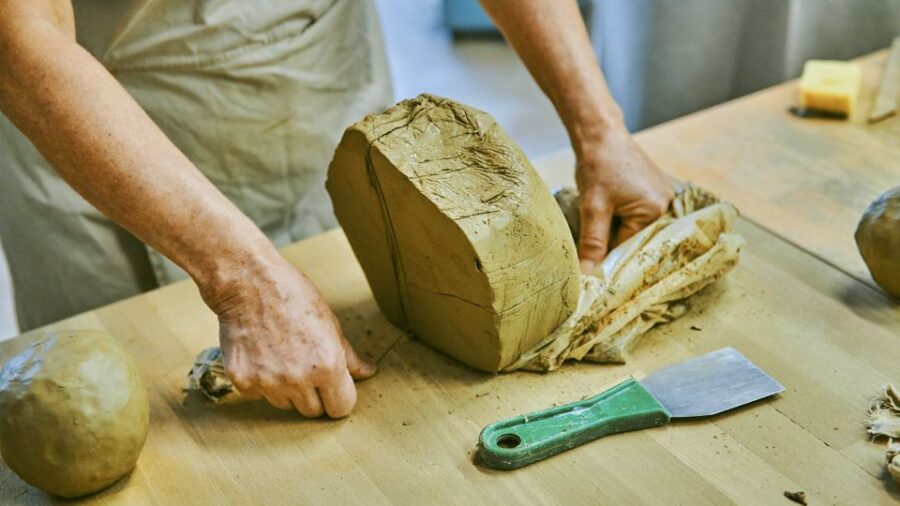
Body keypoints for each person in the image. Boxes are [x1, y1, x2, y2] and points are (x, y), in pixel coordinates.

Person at [0, 0, 673, 418]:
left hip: (314, 67)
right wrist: (244, 282)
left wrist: (598, 127)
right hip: (96, 123)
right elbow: (19, 40)